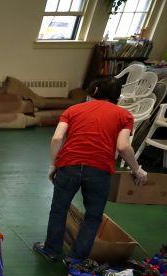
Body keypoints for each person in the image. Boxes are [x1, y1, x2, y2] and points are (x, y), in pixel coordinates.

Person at [33, 77, 147, 263]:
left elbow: (57, 138)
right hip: (99, 170)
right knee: (93, 215)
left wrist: (54, 164)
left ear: (93, 91)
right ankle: (76, 259)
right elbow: (123, 146)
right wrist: (137, 170)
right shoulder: (124, 116)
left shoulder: (73, 110)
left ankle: (52, 250)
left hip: (69, 166)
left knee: (59, 209)